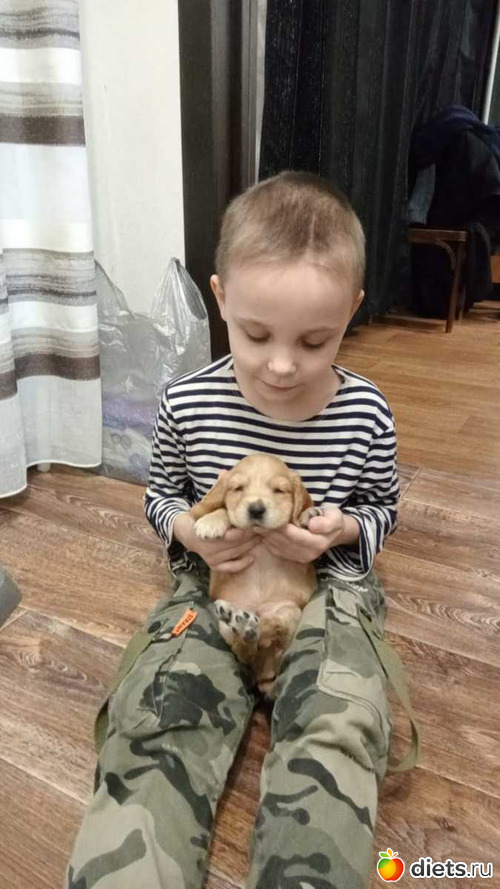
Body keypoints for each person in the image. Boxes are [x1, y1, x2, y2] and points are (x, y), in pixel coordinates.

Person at [66, 171, 402, 889]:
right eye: (254, 334)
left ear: (352, 310)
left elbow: (383, 509)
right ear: (220, 299)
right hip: (212, 583)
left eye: (315, 340)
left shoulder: (367, 413)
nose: (281, 364)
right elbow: (162, 497)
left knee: (340, 722)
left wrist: (343, 530)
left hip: (327, 587)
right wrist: (189, 532)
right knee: (158, 713)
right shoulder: (187, 402)